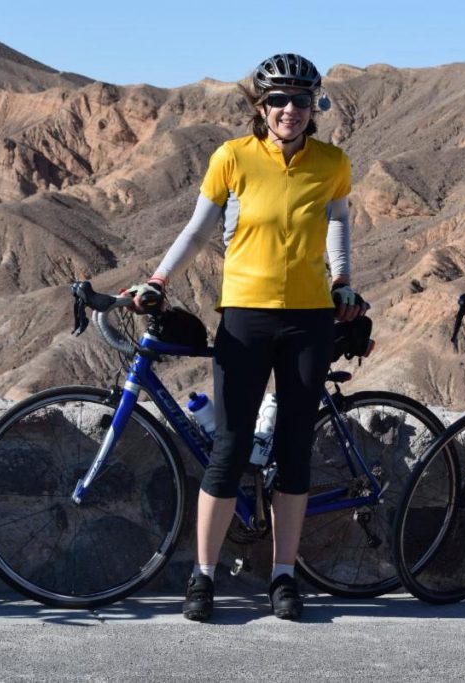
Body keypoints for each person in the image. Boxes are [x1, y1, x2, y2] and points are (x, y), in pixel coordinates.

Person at [123, 53, 365, 622]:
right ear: (260, 106)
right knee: (229, 449)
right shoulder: (232, 157)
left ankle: (284, 575)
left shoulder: (331, 162)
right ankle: (203, 577)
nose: (289, 110)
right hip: (244, 317)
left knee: (294, 449)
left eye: (300, 100)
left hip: (308, 319)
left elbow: (337, 222)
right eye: (277, 100)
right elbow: (198, 227)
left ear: (315, 107)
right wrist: (157, 279)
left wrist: (343, 282)